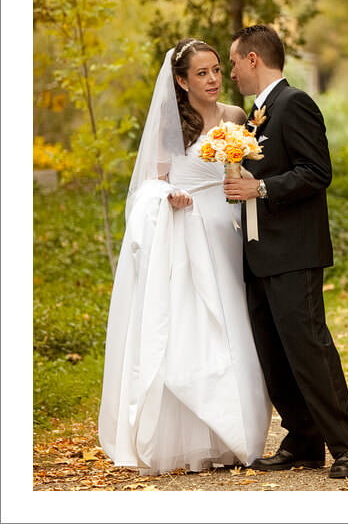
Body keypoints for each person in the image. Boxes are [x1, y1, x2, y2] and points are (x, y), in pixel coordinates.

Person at [98, 38, 271, 475]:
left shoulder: (235, 117)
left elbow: (247, 169)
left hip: (230, 232)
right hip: (189, 231)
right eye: (201, 73)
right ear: (181, 80)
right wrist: (169, 194)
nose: (213, 79)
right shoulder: (170, 123)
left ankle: (236, 435)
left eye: (216, 69)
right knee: (195, 329)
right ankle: (193, 436)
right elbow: (148, 186)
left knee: (235, 326)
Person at [223, 25, 348, 479]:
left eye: (232, 62)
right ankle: (303, 442)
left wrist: (260, 187)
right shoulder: (255, 115)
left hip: (293, 251)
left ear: (253, 59)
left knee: (308, 349)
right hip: (258, 252)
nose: (230, 73)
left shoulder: (295, 103)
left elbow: (316, 172)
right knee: (274, 353)